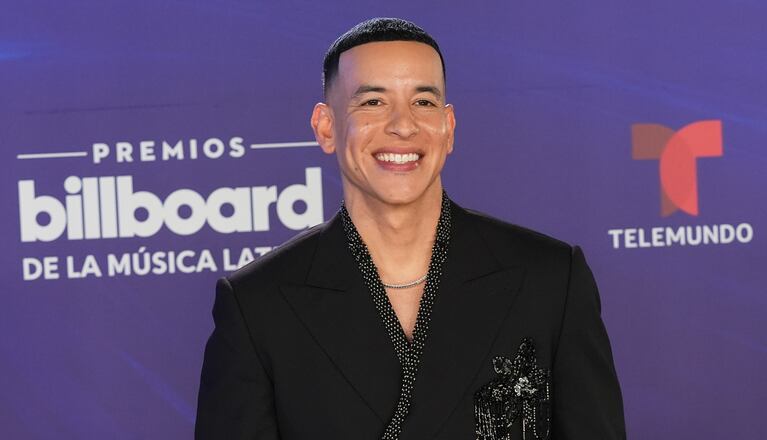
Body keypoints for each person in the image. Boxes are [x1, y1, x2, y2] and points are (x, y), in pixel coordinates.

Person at [196, 17, 625, 440]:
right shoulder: (257, 305)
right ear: (326, 127)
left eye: (423, 102)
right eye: (372, 102)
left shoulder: (550, 279)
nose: (403, 125)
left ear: (448, 127)